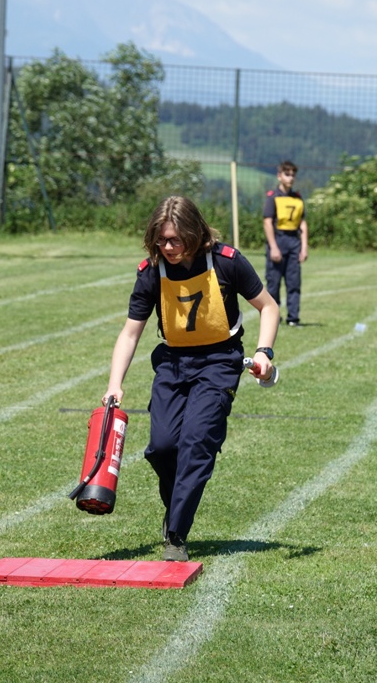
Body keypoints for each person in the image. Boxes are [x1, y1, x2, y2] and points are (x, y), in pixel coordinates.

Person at [102, 196, 279, 561]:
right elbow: (131, 332)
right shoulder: (151, 272)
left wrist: (264, 353)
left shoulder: (227, 262)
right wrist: (114, 384)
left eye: (175, 240)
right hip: (172, 363)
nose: (167, 247)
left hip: (220, 362)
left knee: (197, 443)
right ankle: (175, 509)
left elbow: (269, 307)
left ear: (195, 234)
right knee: (163, 447)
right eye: (161, 240)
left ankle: (176, 536)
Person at [263, 160, 308, 326]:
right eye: (287, 174)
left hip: (293, 242)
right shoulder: (273, 197)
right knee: (273, 283)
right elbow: (267, 222)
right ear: (279, 176)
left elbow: (302, 223)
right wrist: (273, 247)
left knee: (294, 282)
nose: (290, 178)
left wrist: (304, 247)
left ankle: (293, 318)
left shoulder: (297, 198)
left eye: (293, 175)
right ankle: (273, 316)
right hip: (278, 240)